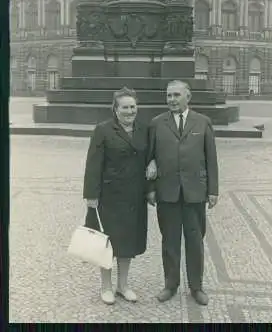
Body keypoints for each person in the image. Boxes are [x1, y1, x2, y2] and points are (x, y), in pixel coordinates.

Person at [146, 80, 219, 306]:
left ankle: (196, 287)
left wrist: (213, 190)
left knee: (195, 240)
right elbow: (149, 159)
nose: (172, 100)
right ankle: (170, 285)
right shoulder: (156, 124)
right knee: (170, 241)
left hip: (195, 192)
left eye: (176, 95)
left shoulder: (203, 122)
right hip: (167, 192)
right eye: (168, 96)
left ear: (188, 97)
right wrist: (150, 189)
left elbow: (211, 159)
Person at [83, 87, 149, 305]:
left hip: (134, 197)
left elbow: (150, 155)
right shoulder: (103, 130)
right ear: (115, 109)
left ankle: (123, 285)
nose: (130, 111)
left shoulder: (143, 129)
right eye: (125, 107)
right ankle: (106, 287)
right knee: (107, 243)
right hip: (109, 197)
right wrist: (91, 196)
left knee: (128, 242)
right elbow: (93, 165)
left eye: (133, 107)